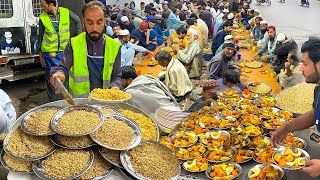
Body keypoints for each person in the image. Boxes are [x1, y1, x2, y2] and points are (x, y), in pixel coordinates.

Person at [50, 0, 122, 98]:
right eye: (90, 23)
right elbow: (63, 67)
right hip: (80, 104)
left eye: (99, 22)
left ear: (105, 22)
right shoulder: (73, 43)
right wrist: (59, 74)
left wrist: (115, 88)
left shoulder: (115, 46)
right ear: (83, 22)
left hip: (105, 104)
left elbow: (116, 76)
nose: (95, 28)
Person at [271, 38, 320, 177]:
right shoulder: (318, 90)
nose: (300, 68)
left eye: (304, 63)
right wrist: (287, 128)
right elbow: (314, 114)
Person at [38, 0, 81, 102]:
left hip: (64, 52)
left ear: (50, 4)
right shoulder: (42, 18)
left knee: (64, 78)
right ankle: (54, 103)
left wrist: (78, 39)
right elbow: (40, 36)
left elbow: (78, 20)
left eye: (43, 5)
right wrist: (40, 55)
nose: (42, 7)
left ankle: (65, 102)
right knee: (51, 81)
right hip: (49, 55)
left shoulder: (66, 12)